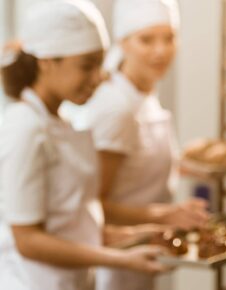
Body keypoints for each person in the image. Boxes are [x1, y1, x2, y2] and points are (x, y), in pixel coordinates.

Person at [0, 1, 168, 290]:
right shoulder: (24, 127)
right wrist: (121, 260)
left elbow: (76, 228)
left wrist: (146, 234)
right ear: (46, 62)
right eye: (86, 66)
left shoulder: (63, 121)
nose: (98, 78)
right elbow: (28, 241)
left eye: (99, 65)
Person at [79, 1, 209, 289]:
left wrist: (181, 167)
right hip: (116, 265)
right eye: (146, 39)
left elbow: (132, 164)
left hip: (142, 255)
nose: (160, 50)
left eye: (169, 38)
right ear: (123, 43)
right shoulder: (117, 108)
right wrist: (165, 214)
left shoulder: (144, 93)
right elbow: (95, 204)